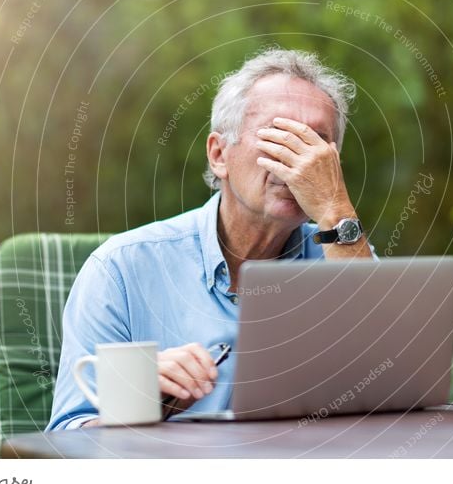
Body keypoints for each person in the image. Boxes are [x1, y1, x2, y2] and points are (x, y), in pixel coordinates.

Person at [47, 48, 374, 430]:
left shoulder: (344, 256)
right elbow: (67, 440)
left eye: (315, 144)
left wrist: (336, 209)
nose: (297, 162)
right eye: (279, 136)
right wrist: (137, 403)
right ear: (219, 155)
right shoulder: (122, 269)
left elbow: (391, 391)